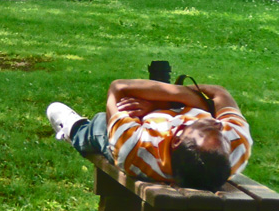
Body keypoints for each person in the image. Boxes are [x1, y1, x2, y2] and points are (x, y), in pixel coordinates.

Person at [46, 79, 252, 192]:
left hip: (133, 134)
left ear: (177, 137)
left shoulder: (135, 148)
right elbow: (217, 93)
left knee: (100, 125)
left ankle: (74, 129)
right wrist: (161, 103)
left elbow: (119, 89)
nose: (216, 121)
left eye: (204, 125)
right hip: (167, 115)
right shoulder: (234, 144)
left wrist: (157, 102)